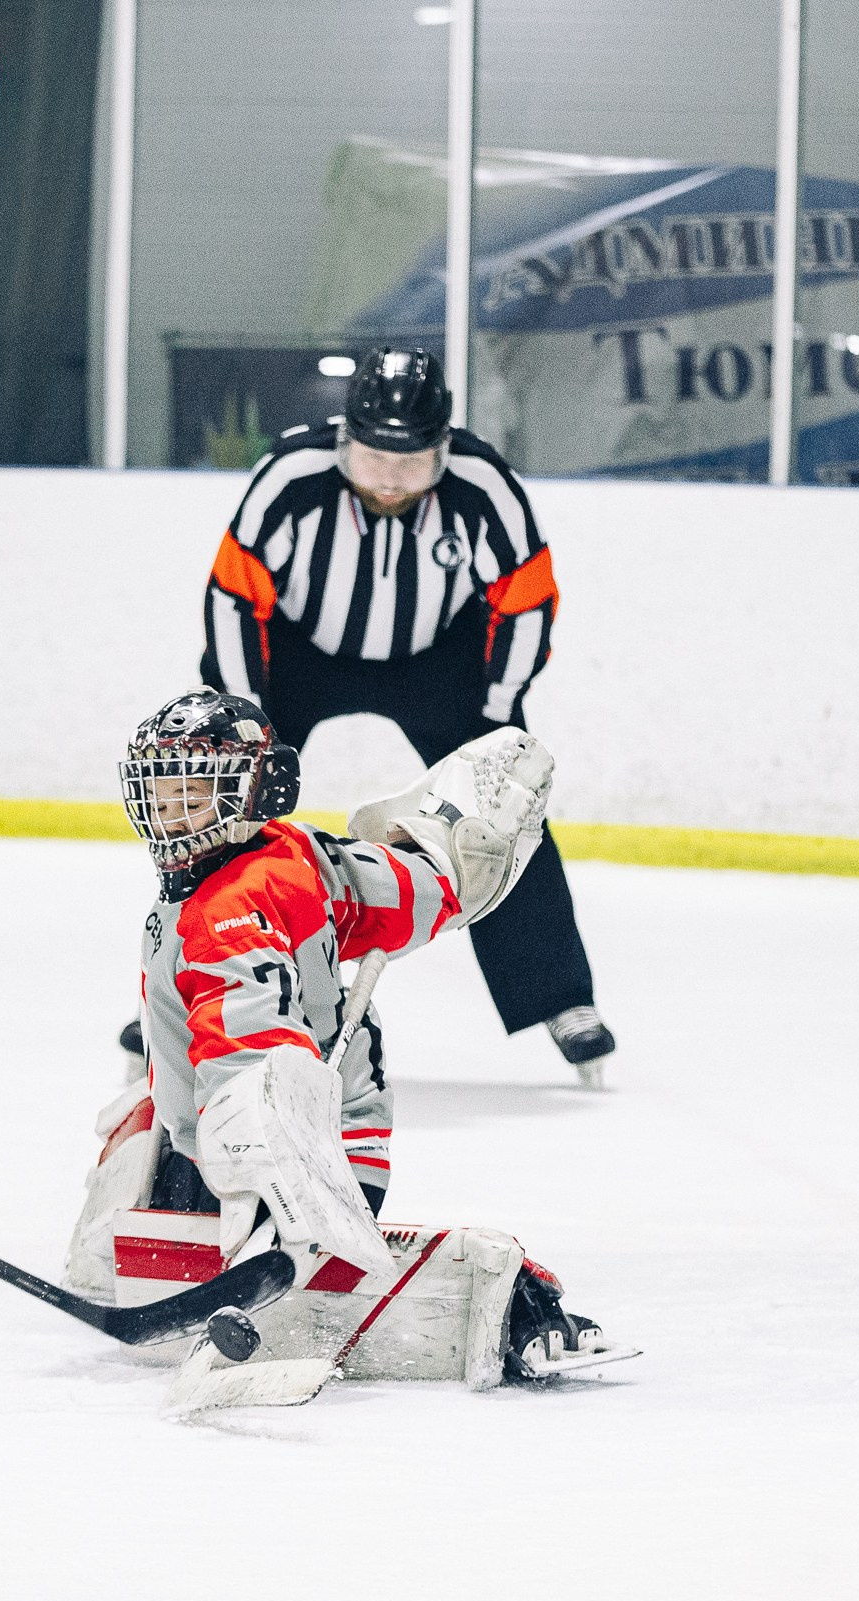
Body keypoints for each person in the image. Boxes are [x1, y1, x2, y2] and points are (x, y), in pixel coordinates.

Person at [68, 690, 628, 1386]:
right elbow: (402, 893)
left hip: (301, 1150)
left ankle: (516, 1301)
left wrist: (257, 1169)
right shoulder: (298, 854)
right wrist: (450, 862)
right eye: (162, 791)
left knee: (228, 1233)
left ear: (255, 791)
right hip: (280, 1124)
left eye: (194, 793)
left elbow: (251, 1051)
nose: (171, 812)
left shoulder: (225, 912)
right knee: (141, 1131)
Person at [178, 345, 614, 1087]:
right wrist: (247, 717)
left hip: (438, 659)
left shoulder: (484, 487)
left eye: (410, 464)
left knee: (502, 810)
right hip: (296, 652)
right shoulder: (290, 478)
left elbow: (527, 600)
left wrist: (495, 715)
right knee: (225, 799)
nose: (388, 478)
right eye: (373, 458)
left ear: (443, 450)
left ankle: (560, 996)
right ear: (344, 440)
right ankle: (195, 978)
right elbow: (233, 595)